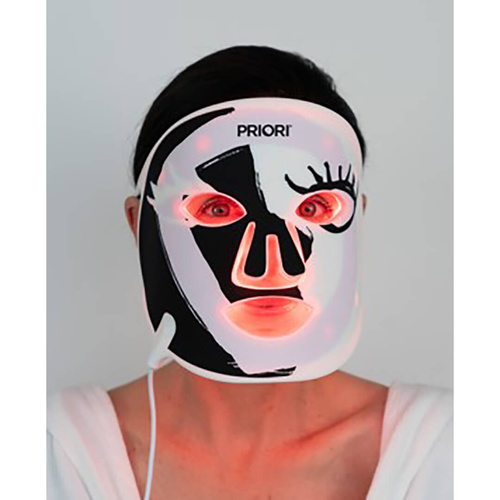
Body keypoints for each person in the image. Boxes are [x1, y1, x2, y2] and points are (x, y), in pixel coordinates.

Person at [47, 46, 453, 499]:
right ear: (140, 225)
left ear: (357, 219)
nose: (271, 265)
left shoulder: (451, 451)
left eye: (314, 208)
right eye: (217, 209)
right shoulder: (53, 453)